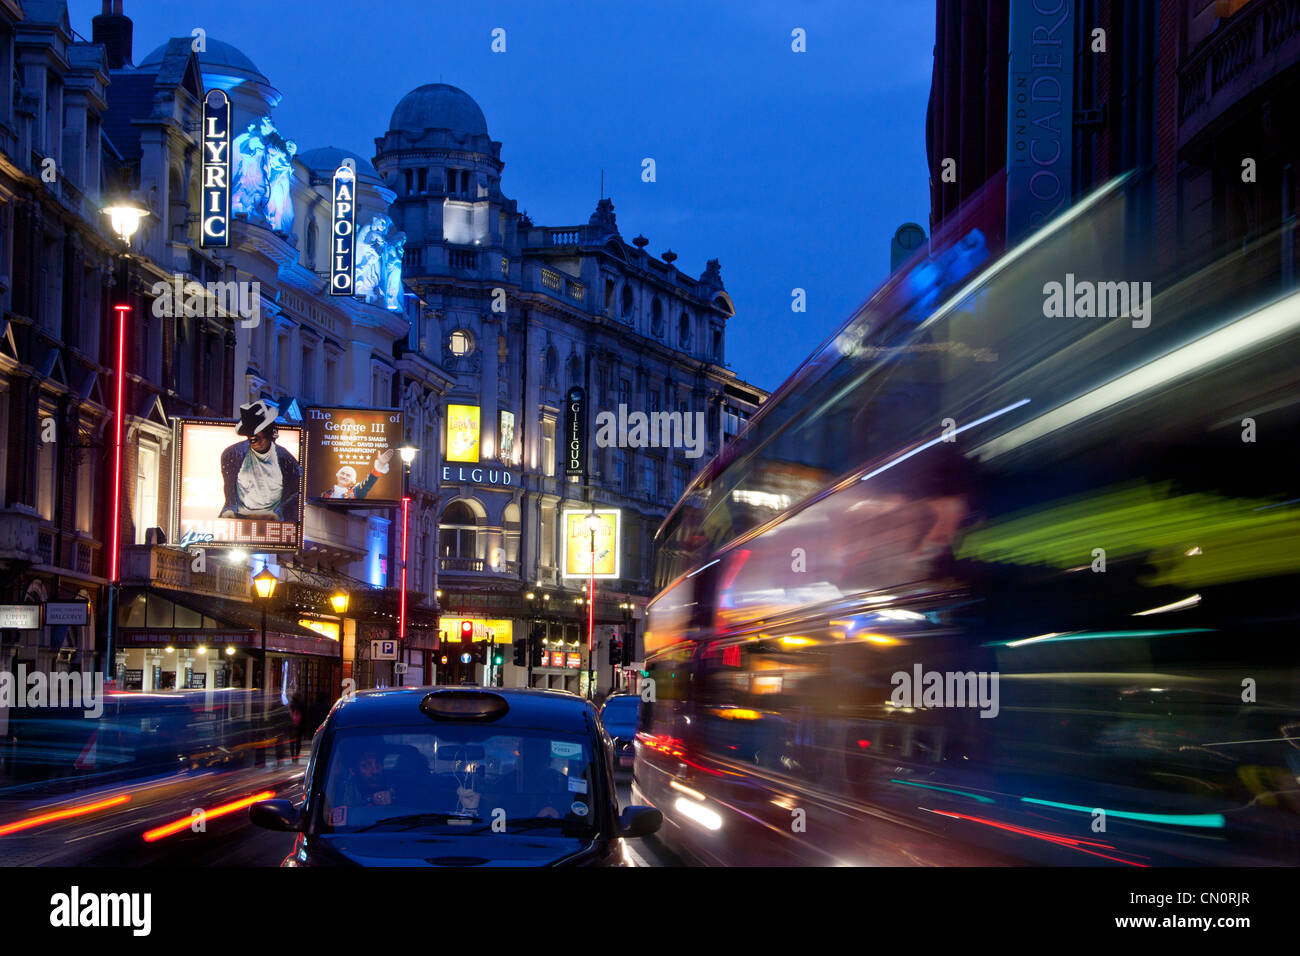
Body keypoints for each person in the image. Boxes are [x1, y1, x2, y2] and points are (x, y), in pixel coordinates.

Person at [219, 400, 301, 521]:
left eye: (260, 436)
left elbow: (295, 492)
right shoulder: (232, 454)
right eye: (252, 437)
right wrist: (230, 510)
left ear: (270, 434)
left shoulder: (286, 460)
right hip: (239, 518)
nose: (256, 441)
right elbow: (229, 490)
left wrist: (280, 513)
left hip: (273, 520)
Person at [321, 448, 393, 499]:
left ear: (353, 480)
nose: (344, 476)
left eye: (348, 475)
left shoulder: (356, 491)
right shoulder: (325, 494)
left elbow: (368, 483)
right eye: (342, 473)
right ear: (337, 475)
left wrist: (380, 465)